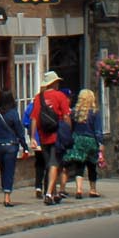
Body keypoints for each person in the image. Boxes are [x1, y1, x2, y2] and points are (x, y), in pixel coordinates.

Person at [0, 91, 32, 206]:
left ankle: (5, 191)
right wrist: (25, 147)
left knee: (3, 170)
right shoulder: (13, 113)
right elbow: (20, 132)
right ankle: (7, 197)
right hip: (11, 146)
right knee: (9, 171)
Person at [34, 71, 74, 205]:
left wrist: (33, 137)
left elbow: (34, 118)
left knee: (50, 164)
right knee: (54, 164)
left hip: (43, 135)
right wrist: (68, 130)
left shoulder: (38, 98)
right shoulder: (60, 96)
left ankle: (54, 192)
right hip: (56, 135)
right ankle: (49, 193)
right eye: (57, 82)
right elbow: (66, 116)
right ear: (54, 83)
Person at [64, 89, 104, 198]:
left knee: (79, 165)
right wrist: (100, 143)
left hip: (78, 139)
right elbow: (98, 131)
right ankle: (93, 189)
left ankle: (79, 189)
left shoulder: (74, 112)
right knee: (91, 165)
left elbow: (69, 126)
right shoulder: (95, 112)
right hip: (91, 140)